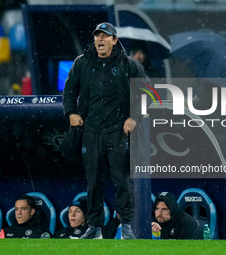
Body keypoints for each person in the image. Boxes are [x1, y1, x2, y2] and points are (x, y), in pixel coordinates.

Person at [63, 22, 147, 239]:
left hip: (117, 132)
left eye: (105, 36)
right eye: (97, 36)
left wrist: (134, 117)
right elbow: (69, 89)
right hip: (91, 132)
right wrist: (71, 112)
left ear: (114, 40)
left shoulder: (129, 65)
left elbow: (146, 93)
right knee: (93, 182)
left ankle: (126, 226)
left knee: (122, 181)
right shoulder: (82, 63)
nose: (100, 39)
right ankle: (94, 227)